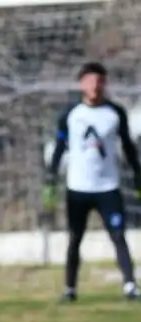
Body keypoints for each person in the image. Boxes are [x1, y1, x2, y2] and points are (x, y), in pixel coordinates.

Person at [44, 61, 141, 303]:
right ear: (82, 84)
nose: (95, 86)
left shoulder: (115, 113)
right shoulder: (71, 114)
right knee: (75, 237)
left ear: (104, 84)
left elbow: (128, 147)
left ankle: (130, 286)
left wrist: (138, 174)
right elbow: (59, 147)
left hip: (108, 187)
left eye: (99, 81)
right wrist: (51, 178)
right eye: (90, 81)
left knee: (118, 235)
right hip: (78, 188)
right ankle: (70, 289)